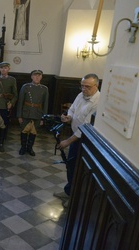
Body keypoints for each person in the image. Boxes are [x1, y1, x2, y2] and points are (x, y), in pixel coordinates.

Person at [54, 73, 100, 208]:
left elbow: (85, 127)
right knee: (71, 166)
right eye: (82, 86)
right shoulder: (81, 95)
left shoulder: (98, 102)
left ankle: (75, 198)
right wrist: (68, 117)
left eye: (87, 87)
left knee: (79, 170)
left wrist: (68, 141)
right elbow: (73, 109)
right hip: (75, 136)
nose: (84, 89)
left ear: (96, 86)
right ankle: (69, 191)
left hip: (85, 141)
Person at [16, 69, 49, 156]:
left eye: (39, 75)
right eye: (35, 75)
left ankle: (30, 148)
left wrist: (43, 117)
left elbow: (45, 104)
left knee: (33, 132)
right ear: (31, 77)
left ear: (41, 77)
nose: (37, 77)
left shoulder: (44, 89)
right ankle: (23, 147)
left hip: (37, 113)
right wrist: (19, 115)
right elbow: (20, 102)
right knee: (24, 131)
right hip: (26, 112)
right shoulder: (25, 87)